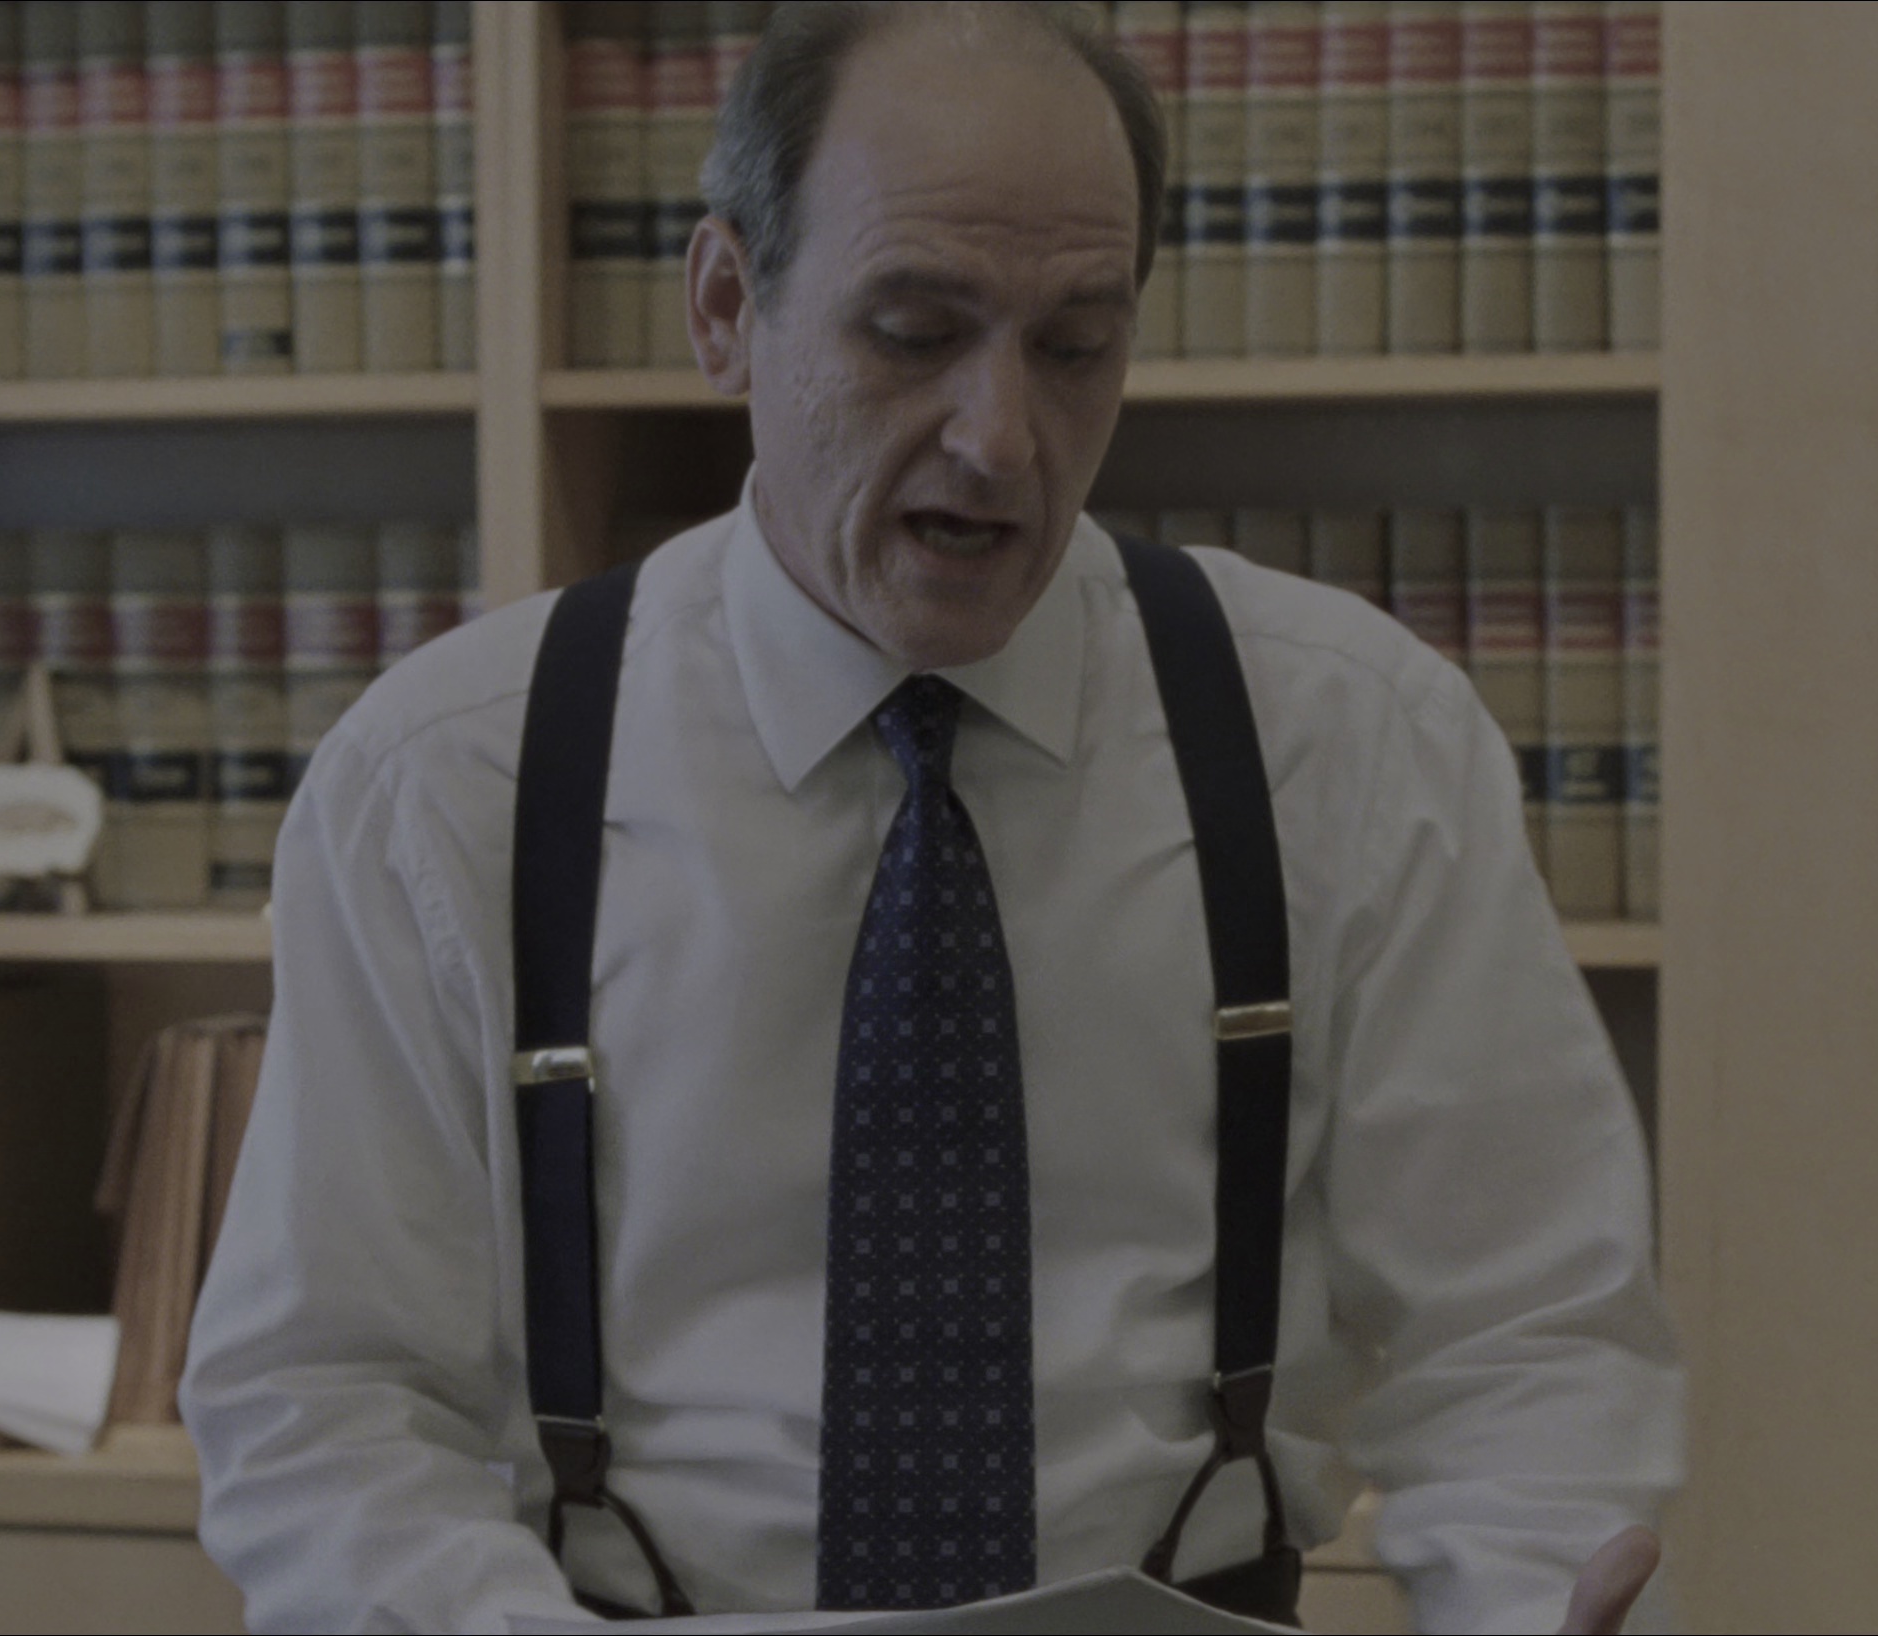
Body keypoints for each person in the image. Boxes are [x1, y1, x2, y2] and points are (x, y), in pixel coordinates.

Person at [177, 4, 1680, 1629]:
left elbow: (1525, 1334)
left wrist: (1538, 1600)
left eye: (1074, 347)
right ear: (726, 307)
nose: (1000, 438)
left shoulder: (1352, 741)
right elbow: (329, 1399)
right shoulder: (448, 782)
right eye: (913, 331)